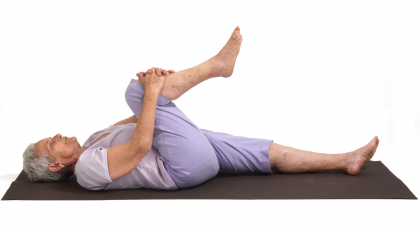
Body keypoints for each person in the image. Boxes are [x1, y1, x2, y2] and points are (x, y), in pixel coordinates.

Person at [22, 26, 380, 190]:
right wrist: (150, 92)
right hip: (180, 167)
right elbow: (140, 147)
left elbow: (139, 119)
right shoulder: (86, 170)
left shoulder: (93, 138)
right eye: (51, 142)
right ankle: (217, 67)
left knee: (261, 150)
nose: (57, 136)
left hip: (185, 149)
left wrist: (161, 89)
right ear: (56, 164)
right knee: (136, 89)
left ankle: (343, 159)